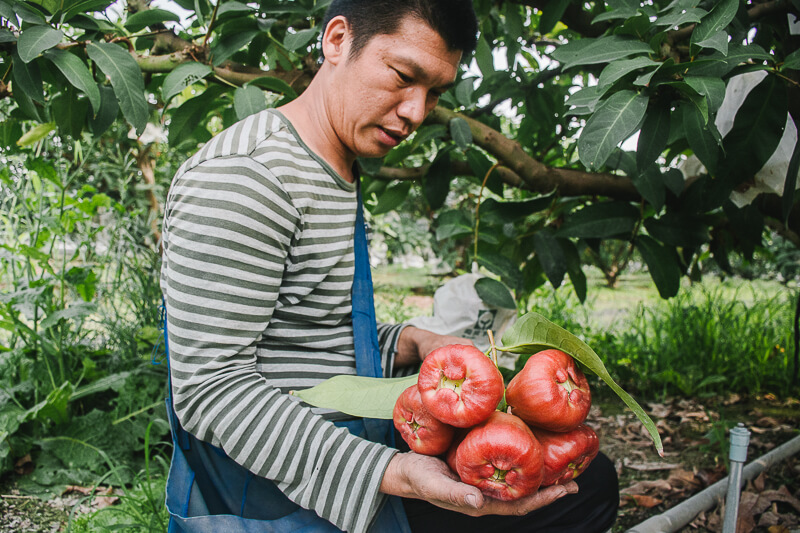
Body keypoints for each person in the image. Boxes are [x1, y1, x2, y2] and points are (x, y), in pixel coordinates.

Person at [160, 1, 619, 532]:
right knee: (585, 494)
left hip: (344, 442)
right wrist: (393, 471)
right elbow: (209, 388)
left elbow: (308, 330)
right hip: (286, 486)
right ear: (336, 40)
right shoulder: (247, 176)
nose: (417, 112)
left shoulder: (334, 163)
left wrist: (412, 342)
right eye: (404, 76)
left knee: (578, 477)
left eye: (435, 94)